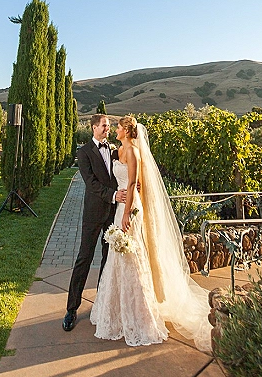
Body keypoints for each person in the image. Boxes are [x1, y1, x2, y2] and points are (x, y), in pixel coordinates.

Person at [90, 116, 212, 352]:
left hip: (129, 208)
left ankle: (140, 313)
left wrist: (126, 215)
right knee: (118, 258)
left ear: (126, 130)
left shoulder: (134, 152)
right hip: (120, 205)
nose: (114, 129)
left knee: (132, 256)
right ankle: (116, 310)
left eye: (117, 127)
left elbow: (135, 182)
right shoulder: (119, 150)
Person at [62, 113, 127, 332]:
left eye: (109, 126)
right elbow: (91, 183)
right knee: (84, 258)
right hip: (93, 212)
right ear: (93, 128)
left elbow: (121, 174)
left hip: (112, 213)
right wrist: (113, 195)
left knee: (108, 260)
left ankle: (101, 304)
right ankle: (71, 309)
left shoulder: (113, 150)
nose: (107, 129)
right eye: (104, 126)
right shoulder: (84, 152)